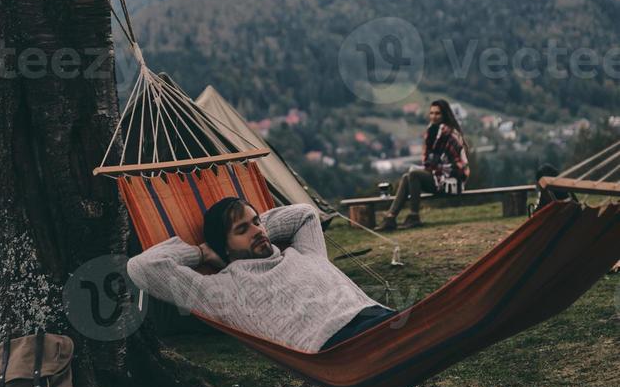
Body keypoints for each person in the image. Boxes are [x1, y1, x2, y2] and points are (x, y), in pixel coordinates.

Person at [126, 199, 399, 352]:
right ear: (224, 245)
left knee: (425, 324)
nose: (257, 231)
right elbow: (142, 267)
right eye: (242, 230)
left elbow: (304, 214)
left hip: (381, 320)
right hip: (338, 349)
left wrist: (257, 224)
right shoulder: (222, 291)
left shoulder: (304, 251)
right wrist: (199, 253)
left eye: (257, 222)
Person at [376, 99, 470, 232]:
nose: (433, 116)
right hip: (438, 178)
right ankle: (390, 218)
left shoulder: (450, 134)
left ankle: (414, 216)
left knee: (414, 174)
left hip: (452, 182)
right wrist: (433, 168)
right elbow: (428, 161)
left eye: (437, 113)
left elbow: (460, 167)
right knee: (406, 176)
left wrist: (438, 169)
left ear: (444, 115)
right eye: (431, 113)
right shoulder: (432, 131)